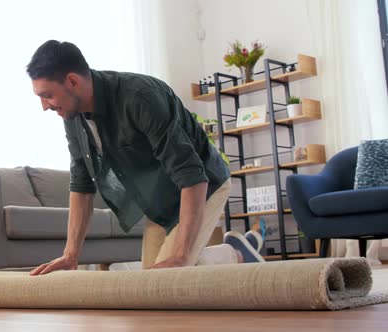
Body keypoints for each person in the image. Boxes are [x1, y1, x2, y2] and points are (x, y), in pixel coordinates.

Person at [26, 40, 265, 276]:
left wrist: (180, 256)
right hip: (160, 202)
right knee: (150, 284)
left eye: (47, 95)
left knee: (165, 280)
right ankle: (236, 252)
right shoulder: (72, 116)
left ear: (72, 82)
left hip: (203, 185)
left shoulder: (140, 97)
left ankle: (234, 254)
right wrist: (70, 255)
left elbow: (192, 175)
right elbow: (81, 185)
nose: (44, 106)